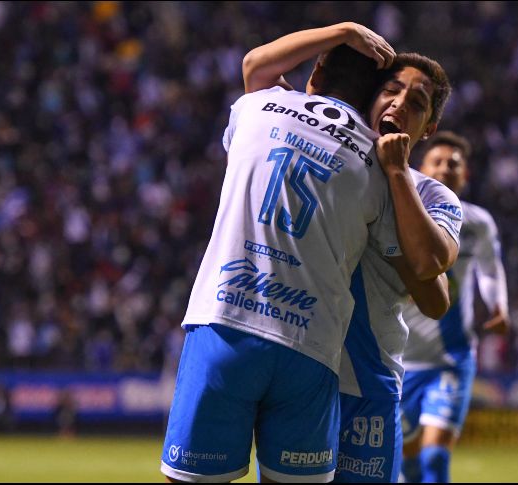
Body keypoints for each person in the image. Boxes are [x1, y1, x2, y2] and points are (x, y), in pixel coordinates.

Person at [161, 23, 439, 483]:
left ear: (313, 75)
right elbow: (421, 268)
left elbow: (256, 63)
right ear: (373, 96)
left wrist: (342, 31)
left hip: (226, 322)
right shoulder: (383, 165)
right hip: (312, 348)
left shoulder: (257, 107)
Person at [334, 54, 462, 483]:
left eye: (417, 101)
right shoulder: (325, 159)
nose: (399, 102)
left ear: (428, 128)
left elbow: (435, 294)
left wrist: (395, 174)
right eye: (391, 89)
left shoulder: (434, 196)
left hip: (370, 378)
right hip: (302, 368)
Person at [400, 131, 510, 483]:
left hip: (449, 361)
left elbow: (491, 269)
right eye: (438, 162)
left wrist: (498, 305)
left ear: (466, 176)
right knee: (405, 464)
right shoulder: (395, 214)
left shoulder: (477, 223)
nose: (446, 169)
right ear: (420, 169)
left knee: (434, 459)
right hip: (398, 362)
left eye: (454, 164)